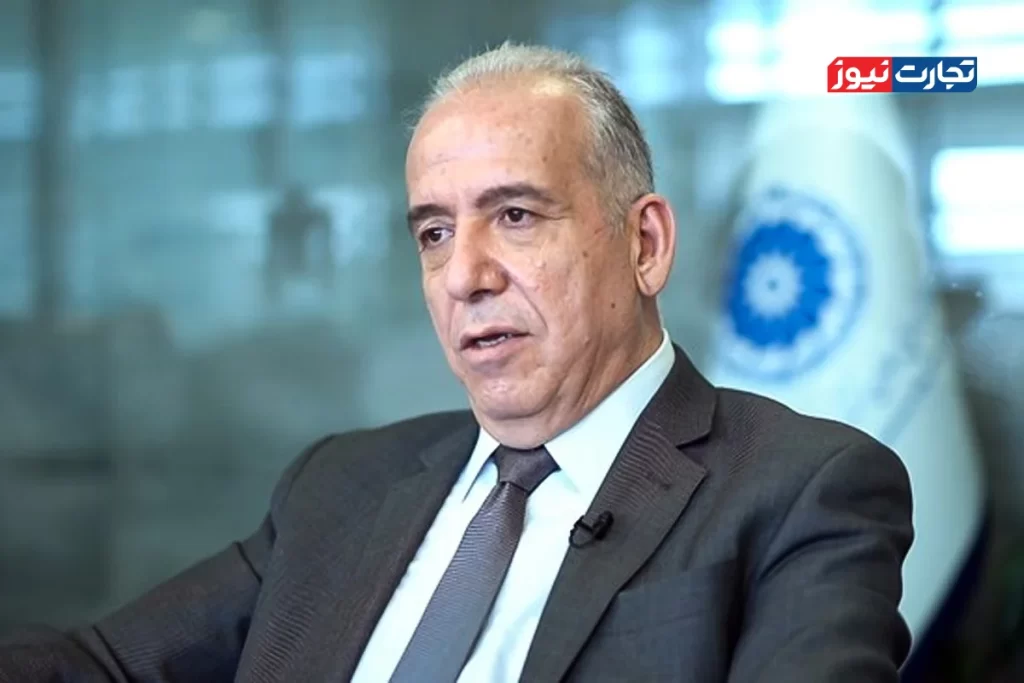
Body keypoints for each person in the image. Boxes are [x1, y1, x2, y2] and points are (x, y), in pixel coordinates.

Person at [0, 43, 913, 682]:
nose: (464, 276)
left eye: (515, 215)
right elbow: (102, 667)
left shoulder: (802, 491)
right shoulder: (341, 484)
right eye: (435, 232)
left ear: (644, 245)